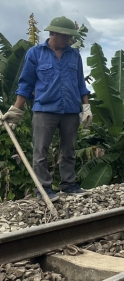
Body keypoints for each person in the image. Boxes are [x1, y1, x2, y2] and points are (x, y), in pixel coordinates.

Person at [0, 16, 90, 201]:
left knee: (69, 150)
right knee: (41, 150)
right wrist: (16, 110)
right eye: (65, 36)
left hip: (71, 109)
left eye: (70, 37)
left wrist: (86, 106)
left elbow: (81, 83)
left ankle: (69, 185)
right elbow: (26, 83)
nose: (69, 40)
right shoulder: (35, 54)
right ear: (53, 33)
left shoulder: (74, 55)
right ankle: (43, 188)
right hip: (44, 110)